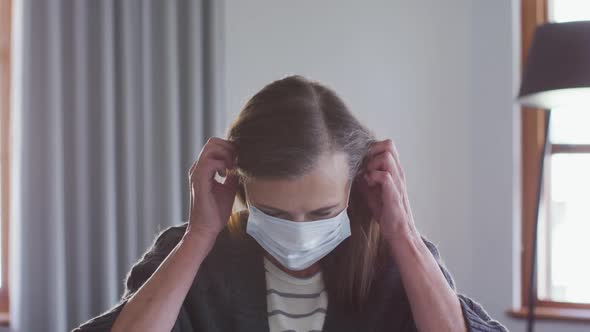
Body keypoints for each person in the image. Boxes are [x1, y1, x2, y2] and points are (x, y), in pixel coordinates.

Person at [73, 75, 508, 332]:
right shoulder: (196, 256)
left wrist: (403, 233)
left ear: (355, 188)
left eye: (321, 214)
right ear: (242, 188)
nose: (300, 233)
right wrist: (199, 234)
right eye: (276, 214)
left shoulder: (392, 258)